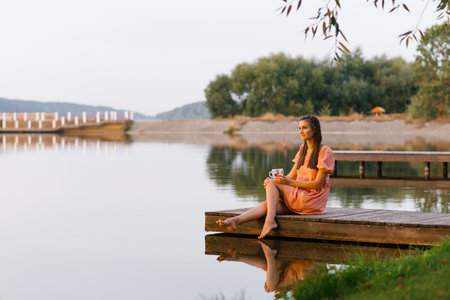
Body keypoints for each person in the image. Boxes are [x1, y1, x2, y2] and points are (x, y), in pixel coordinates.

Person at [216, 115, 335, 239]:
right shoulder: (302, 151)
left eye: (304, 128)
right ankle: (236, 220)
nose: (300, 132)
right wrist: (279, 179)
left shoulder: (325, 152)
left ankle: (269, 221)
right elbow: (290, 176)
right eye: (299, 128)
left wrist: (285, 182)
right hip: (300, 198)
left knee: (272, 187)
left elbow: (317, 184)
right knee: (269, 204)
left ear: (315, 129)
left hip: (312, 200)